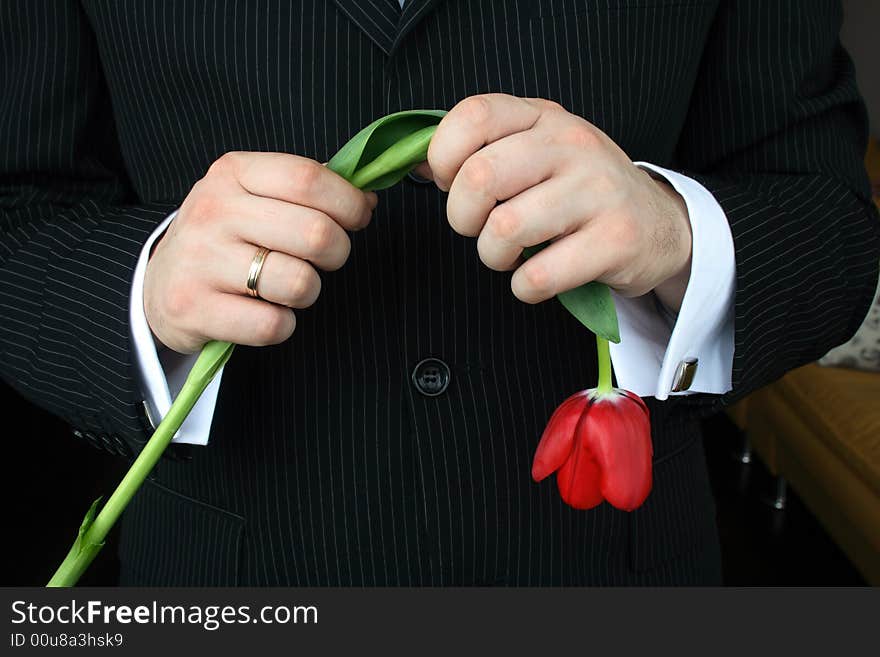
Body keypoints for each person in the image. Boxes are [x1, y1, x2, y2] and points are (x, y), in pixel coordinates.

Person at [1, 0, 877, 586]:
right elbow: (17, 213)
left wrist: (676, 237)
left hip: (618, 576)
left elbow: (829, 218)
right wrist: (147, 289)